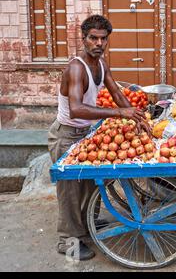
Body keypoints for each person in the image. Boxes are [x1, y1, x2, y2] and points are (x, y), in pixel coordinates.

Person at [48, 15, 149, 260]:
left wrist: (135, 115)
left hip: (84, 133)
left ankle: (87, 227)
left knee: (90, 185)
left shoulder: (101, 64)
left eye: (103, 39)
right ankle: (69, 243)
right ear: (84, 39)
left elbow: (116, 92)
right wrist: (119, 112)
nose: (98, 43)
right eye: (93, 38)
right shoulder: (76, 67)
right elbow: (76, 109)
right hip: (66, 135)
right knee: (70, 193)